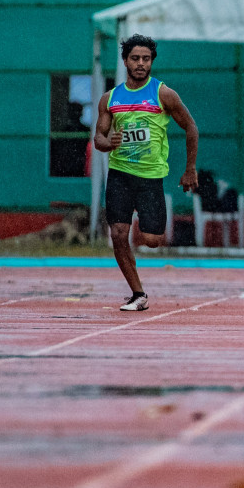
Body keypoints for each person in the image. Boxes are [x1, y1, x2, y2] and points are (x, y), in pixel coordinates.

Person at [93, 34, 200, 311]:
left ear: (152, 61)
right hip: (119, 175)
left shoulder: (163, 94)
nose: (140, 64)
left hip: (150, 177)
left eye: (146, 59)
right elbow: (99, 139)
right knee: (118, 233)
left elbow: (191, 127)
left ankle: (146, 221)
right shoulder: (110, 98)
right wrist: (109, 144)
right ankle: (138, 293)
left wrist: (190, 169)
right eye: (135, 58)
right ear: (125, 61)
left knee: (152, 241)